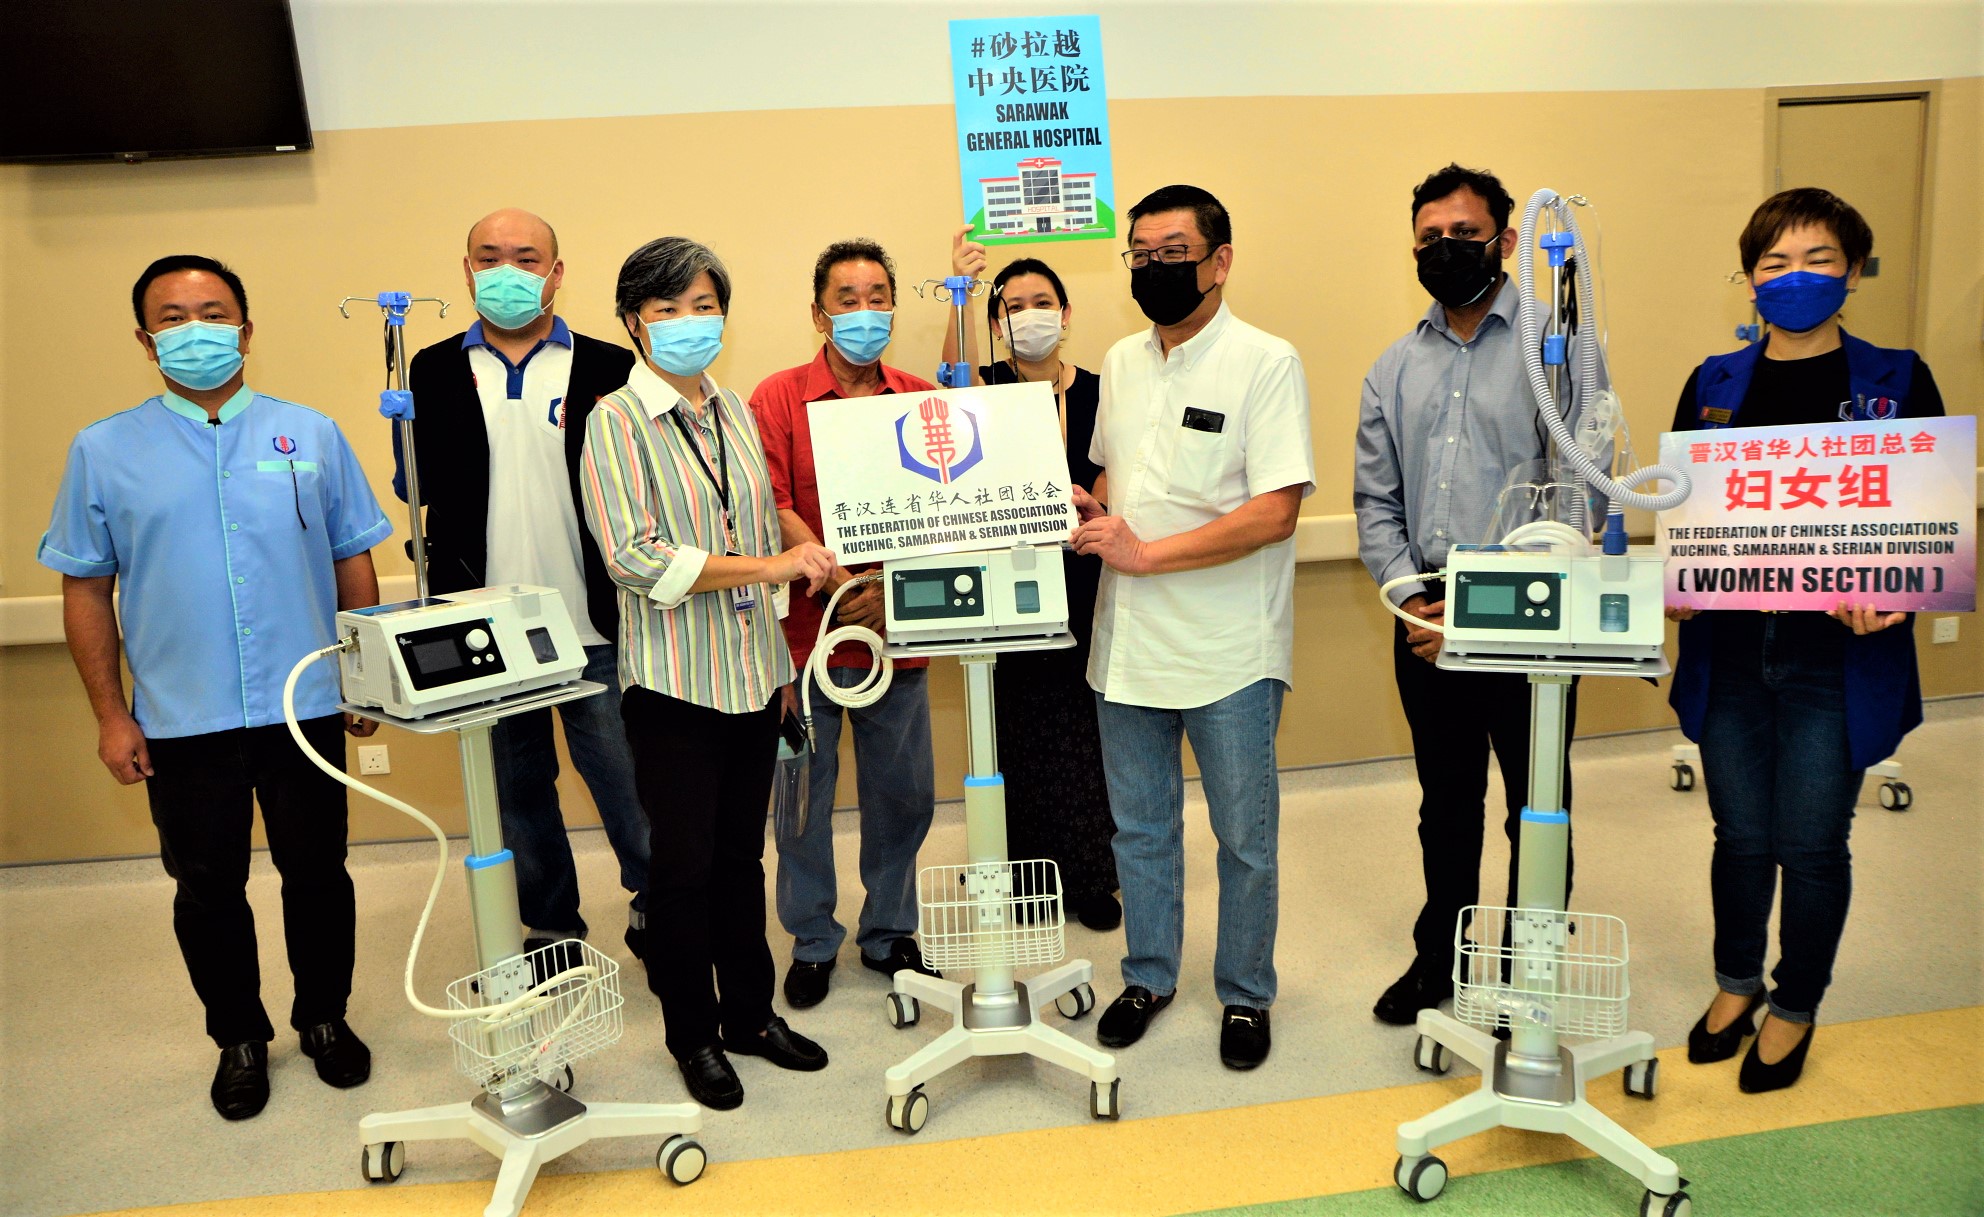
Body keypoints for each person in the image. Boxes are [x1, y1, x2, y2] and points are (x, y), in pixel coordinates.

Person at [38, 255, 392, 1120]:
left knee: (319, 872)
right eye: (173, 316)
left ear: (246, 328)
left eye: (213, 311)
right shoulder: (103, 450)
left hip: (303, 704)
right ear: (145, 338)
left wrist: (363, 676)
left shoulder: (309, 434)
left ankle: (325, 1017)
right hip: (181, 716)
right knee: (207, 888)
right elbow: (85, 586)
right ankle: (238, 1036)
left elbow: (353, 559)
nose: (194, 329)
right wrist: (111, 714)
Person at [1668, 188, 1943, 1093]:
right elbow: (1686, 512)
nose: (1795, 277)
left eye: (1819, 259)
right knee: (1741, 834)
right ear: (1749, 278)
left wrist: (1897, 593)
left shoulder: (1898, 380)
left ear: (1854, 270)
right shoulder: (1713, 385)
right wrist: (1679, 584)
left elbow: (1926, 516)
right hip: (1732, 651)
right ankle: (1736, 981)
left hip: (1839, 657)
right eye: (1775, 262)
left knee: (1814, 842)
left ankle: (1795, 1002)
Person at [580, 236, 836, 1110]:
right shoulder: (616, 421)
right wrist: (769, 567)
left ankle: (751, 1016)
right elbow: (634, 557)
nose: (690, 323)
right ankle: (692, 1033)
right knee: (681, 869)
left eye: (704, 306)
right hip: (675, 684)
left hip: (753, 670)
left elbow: (756, 517)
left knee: (740, 859)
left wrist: (785, 631)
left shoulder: (730, 407)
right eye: (668, 309)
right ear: (633, 322)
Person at [1072, 185, 1314, 1070]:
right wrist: (1090, 509)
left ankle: (1245, 992)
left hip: (1229, 649)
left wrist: (1145, 554)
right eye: (1140, 254)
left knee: (1244, 838)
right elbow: (1119, 479)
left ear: (1220, 261)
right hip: (1129, 644)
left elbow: (1275, 512)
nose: (1154, 268)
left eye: (1173, 252)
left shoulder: (1266, 362)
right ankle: (1148, 975)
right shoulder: (1121, 361)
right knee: (1140, 829)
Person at [1354, 164, 1588, 1027]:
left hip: (1534, 613)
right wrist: (1413, 600)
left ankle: (1531, 969)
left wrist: (1485, 610)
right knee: (1446, 805)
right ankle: (1440, 960)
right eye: (1429, 238)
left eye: (1463, 234)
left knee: (1538, 804)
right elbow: (1376, 501)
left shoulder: (1556, 351)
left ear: (1507, 241)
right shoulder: (1394, 366)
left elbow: (1579, 493)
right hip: (1423, 615)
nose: (1444, 248)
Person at [401, 208, 651, 963]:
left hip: (593, 623)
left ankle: (659, 906)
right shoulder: (431, 369)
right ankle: (551, 928)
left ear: (556, 272)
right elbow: (421, 489)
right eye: (489, 257)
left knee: (631, 785)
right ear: (467, 270)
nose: (506, 272)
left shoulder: (611, 367)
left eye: (526, 257)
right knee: (518, 795)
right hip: (486, 629)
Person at [750, 239, 944, 1008]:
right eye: (847, 299)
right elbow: (770, 500)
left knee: (904, 794)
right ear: (818, 312)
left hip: (896, 632)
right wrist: (835, 576)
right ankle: (812, 938)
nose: (864, 312)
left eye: (877, 298)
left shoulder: (919, 398)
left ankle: (890, 930)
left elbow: (945, 511)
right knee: (801, 797)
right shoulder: (778, 397)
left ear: (893, 306)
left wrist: (888, 591)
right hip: (804, 637)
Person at [940, 226, 1120, 931]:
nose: (1029, 315)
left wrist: (1094, 507)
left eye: (1043, 302)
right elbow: (948, 389)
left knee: (1085, 730)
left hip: (1086, 575)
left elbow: (1116, 467)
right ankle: (1018, 871)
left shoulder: (1103, 388)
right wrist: (961, 287)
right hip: (1009, 579)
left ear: (1066, 313)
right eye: (1012, 306)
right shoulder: (987, 386)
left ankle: (1091, 875)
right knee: (1014, 728)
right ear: (995, 323)